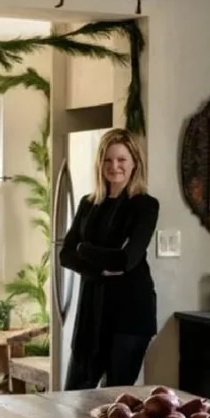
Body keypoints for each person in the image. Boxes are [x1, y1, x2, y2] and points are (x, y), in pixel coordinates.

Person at [60, 128, 159, 390]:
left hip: (130, 315)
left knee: (115, 402)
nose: (114, 166)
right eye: (107, 160)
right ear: (100, 164)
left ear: (134, 163)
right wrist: (97, 267)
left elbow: (125, 260)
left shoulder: (145, 206)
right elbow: (64, 255)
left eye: (121, 160)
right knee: (74, 395)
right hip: (92, 310)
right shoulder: (88, 204)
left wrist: (83, 248)